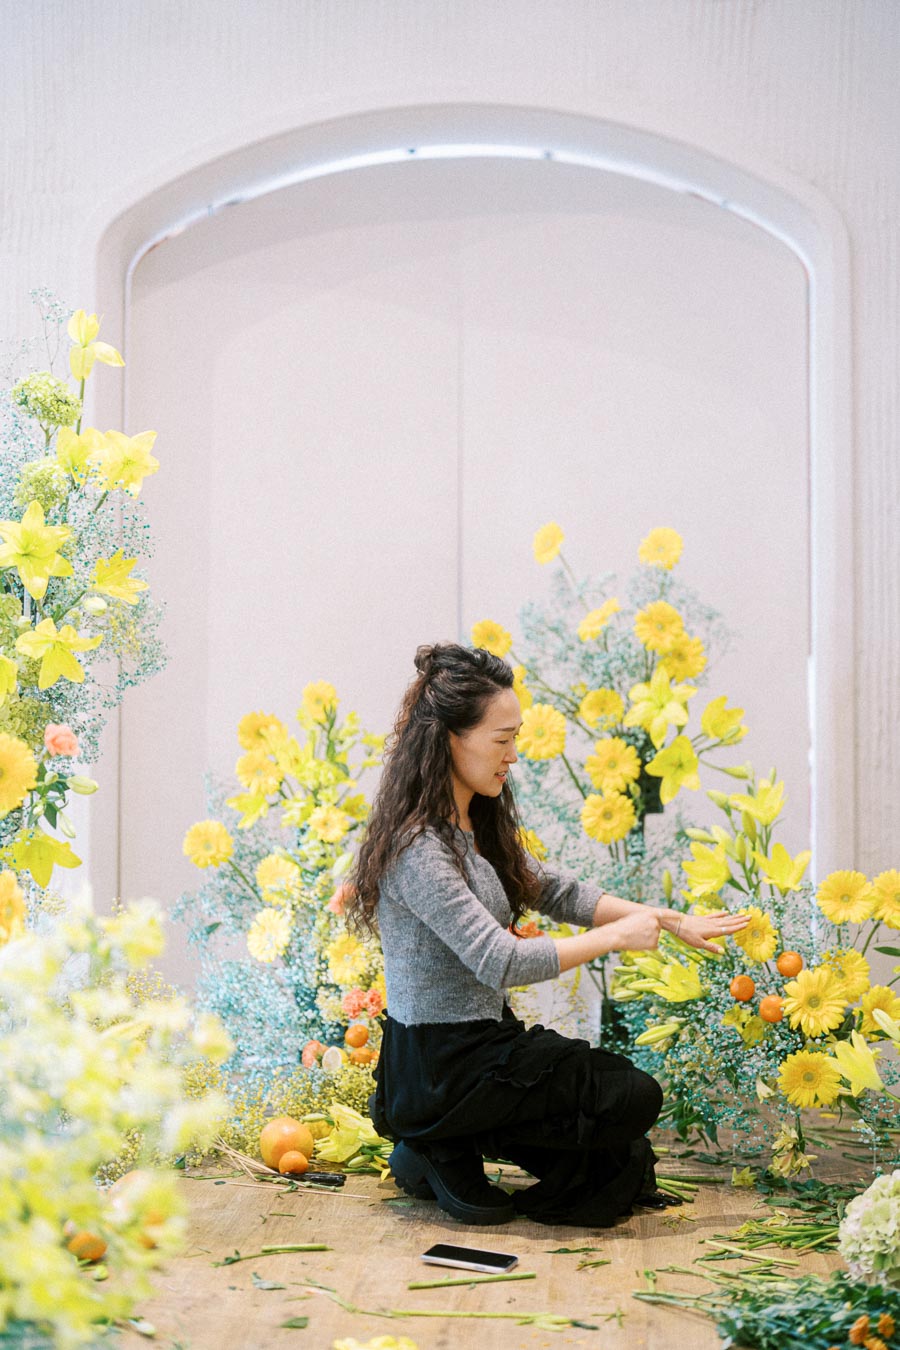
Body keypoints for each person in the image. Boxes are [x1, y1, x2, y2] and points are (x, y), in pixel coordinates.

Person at [345, 642, 749, 1229]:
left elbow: (559, 892)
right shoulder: (418, 848)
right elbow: (499, 960)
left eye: (516, 737)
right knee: (631, 1096)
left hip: (485, 1045)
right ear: (450, 739)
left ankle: (438, 1146)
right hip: (440, 1065)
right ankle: (436, 1137)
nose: (514, 755)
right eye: (501, 740)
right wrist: (616, 939)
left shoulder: (476, 822)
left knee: (622, 1158)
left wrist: (669, 920)